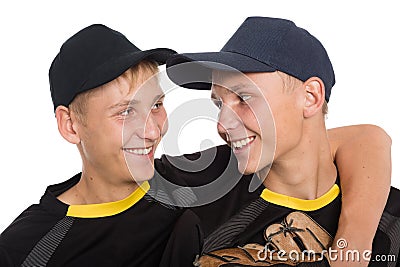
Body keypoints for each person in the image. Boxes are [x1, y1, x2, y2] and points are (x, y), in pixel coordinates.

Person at [165, 16, 399, 266]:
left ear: (310, 97)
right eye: (219, 103)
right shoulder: (193, 195)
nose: (222, 124)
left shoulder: (390, 222)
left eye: (244, 98)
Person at [0, 24, 191, 266]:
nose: (153, 131)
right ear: (70, 125)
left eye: (156, 105)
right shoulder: (23, 251)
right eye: (126, 111)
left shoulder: (201, 185)